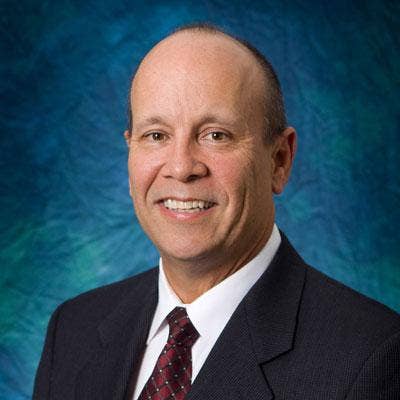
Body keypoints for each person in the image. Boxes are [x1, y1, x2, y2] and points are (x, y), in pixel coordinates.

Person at [33, 24, 400, 400]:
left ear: (279, 160)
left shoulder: (374, 358)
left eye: (216, 135)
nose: (181, 167)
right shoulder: (73, 329)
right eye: (156, 135)